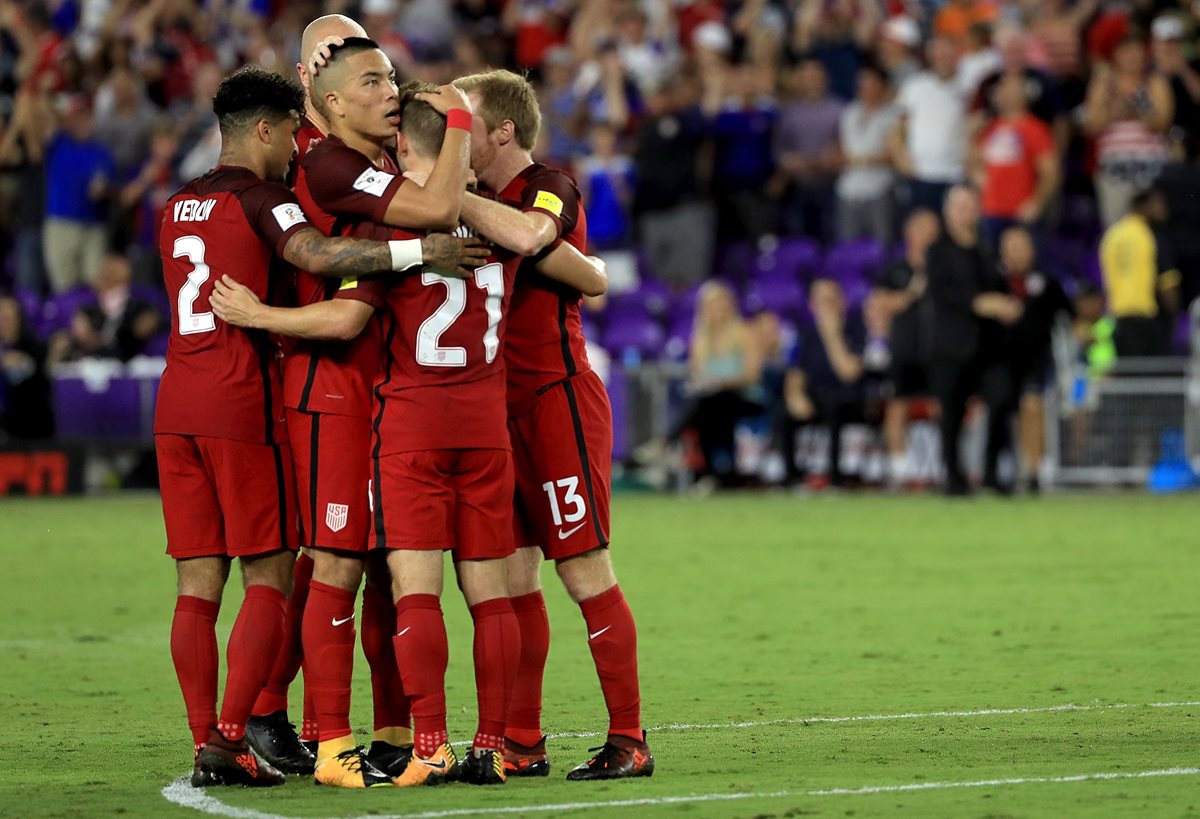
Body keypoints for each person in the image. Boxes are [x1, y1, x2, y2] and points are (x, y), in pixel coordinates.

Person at [212, 81, 606, 787]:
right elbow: (570, 262)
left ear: (400, 146)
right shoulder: (502, 223)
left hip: (410, 426)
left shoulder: (390, 231)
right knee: (491, 592)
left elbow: (346, 317)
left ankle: (424, 744)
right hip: (487, 428)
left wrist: (258, 316)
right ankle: (494, 745)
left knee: (407, 587)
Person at [155, 65, 444, 789]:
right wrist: (416, 251)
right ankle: (232, 735)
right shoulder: (265, 199)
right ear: (264, 128)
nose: (295, 150)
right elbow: (314, 253)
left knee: (196, 586)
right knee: (271, 575)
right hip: (239, 402)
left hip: (176, 405)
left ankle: (206, 741)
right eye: (290, 133)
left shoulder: (176, 205)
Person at [248, 34, 486, 788]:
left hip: (377, 393)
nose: (391, 92)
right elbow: (427, 218)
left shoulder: (372, 164)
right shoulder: (329, 164)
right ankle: (323, 739)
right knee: (337, 561)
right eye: (373, 82)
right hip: (333, 390)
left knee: (378, 566)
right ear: (326, 96)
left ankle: (386, 733)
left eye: (390, 78)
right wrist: (457, 123)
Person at [455, 68, 654, 780]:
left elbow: (535, 235)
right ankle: (522, 739)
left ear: (502, 130)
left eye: (466, 123)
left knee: (582, 568)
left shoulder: (549, 184)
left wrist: (451, 197)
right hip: (494, 410)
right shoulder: (476, 203)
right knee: (513, 577)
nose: (454, 136)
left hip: (555, 402)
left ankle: (629, 738)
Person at [926, 185, 1022, 495]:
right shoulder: (938, 251)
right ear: (948, 212)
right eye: (960, 206)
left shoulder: (987, 248)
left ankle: (992, 472)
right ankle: (954, 477)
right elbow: (943, 293)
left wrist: (1007, 304)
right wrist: (978, 303)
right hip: (952, 346)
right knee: (952, 413)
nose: (967, 212)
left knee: (1001, 398)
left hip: (989, 344)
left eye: (971, 205)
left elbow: (1000, 286)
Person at [997, 226, 1073, 493]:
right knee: (1001, 409)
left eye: (1021, 247)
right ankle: (999, 467)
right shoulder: (993, 281)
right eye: (1012, 247)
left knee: (1032, 406)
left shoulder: (1047, 282)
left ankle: (1033, 469)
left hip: (1036, 359)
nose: (1017, 253)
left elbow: (1069, 316)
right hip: (999, 360)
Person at [874, 209, 939, 487]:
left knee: (942, 405)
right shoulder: (894, 270)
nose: (930, 235)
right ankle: (899, 469)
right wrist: (911, 293)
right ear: (909, 233)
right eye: (923, 229)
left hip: (937, 349)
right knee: (898, 404)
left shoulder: (944, 270)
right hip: (903, 348)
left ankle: (941, 466)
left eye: (934, 230)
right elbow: (880, 304)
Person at [783, 279, 868, 488]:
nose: (825, 307)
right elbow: (796, 374)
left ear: (841, 303)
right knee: (784, 413)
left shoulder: (856, 329)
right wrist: (795, 397)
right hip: (816, 396)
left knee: (833, 406)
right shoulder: (807, 335)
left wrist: (832, 336)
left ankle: (835, 477)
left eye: (830, 301)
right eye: (820, 302)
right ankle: (792, 477)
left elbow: (848, 373)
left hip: (849, 398)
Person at [1084, 36, 1173, 226]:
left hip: (1150, 167)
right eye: (1127, 51)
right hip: (1115, 169)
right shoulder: (1104, 84)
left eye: (1137, 50)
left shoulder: (1154, 82)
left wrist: (1136, 111)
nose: (1133, 56)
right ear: (1116, 55)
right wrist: (1114, 112)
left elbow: (1163, 122)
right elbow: (1091, 125)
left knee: (1154, 226)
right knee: (1117, 225)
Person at [969, 73, 1059, 247]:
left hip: (1020, 212)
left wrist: (1037, 202)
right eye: (1000, 87)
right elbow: (974, 164)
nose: (1000, 91)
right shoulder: (989, 127)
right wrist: (971, 139)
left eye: (1008, 87)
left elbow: (1051, 172)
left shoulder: (1035, 129)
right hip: (991, 211)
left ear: (1023, 94)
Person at [1098, 187, 1181, 358]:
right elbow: (1167, 284)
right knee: (1153, 373)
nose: (1163, 209)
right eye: (1158, 203)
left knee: (1128, 371)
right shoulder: (1150, 235)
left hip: (1118, 321)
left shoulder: (1112, 235)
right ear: (1143, 206)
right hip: (1147, 322)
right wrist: (1174, 320)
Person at [891, 37, 967, 215]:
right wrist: (901, 159)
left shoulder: (967, 87)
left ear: (956, 56)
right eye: (938, 54)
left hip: (955, 174)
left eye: (947, 54)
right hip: (920, 173)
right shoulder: (914, 86)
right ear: (930, 57)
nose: (942, 58)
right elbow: (896, 129)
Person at [773, 57, 844, 242]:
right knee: (797, 241)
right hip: (798, 186)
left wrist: (836, 153)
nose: (812, 82)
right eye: (807, 77)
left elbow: (847, 145)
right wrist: (788, 161)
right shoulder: (789, 112)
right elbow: (779, 149)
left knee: (830, 239)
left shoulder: (839, 109)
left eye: (815, 77)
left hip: (830, 185)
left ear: (825, 79)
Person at [836, 61, 898, 245]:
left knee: (881, 245)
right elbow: (842, 147)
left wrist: (862, 160)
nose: (865, 88)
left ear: (882, 86)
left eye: (870, 83)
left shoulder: (892, 115)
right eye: (862, 83)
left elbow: (894, 156)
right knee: (848, 246)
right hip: (848, 189)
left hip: (879, 189)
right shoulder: (849, 112)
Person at [0, 294, 54, 441]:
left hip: (30, 426)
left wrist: (18, 363)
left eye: (7, 318)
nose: (3, 323)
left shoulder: (33, 347)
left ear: (18, 318)